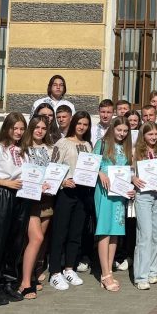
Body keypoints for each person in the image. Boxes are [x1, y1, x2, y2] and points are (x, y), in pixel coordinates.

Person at [0, 112, 29, 306]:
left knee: (16, 240)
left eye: (21, 128)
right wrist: (6, 183)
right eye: (14, 128)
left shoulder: (23, 149)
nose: (18, 132)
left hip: (22, 195)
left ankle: (10, 282)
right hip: (3, 194)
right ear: (7, 128)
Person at [48, 111, 94, 291]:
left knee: (76, 233)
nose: (82, 127)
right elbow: (53, 166)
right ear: (74, 123)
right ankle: (55, 272)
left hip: (83, 193)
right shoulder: (63, 143)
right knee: (60, 232)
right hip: (66, 192)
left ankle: (69, 268)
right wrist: (62, 181)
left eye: (85, 124)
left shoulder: (88, 145)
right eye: (79, 123)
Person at [92, 117, 135, 292]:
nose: (122, 133)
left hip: (119, 193)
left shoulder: (126, 147)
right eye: (119, 130)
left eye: (125, 131)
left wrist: (130, 187)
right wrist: (100, 173)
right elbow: (91, 164)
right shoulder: (102, 143)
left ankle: (108, 270)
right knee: (104, 230)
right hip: (104, 191)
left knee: (115, 231)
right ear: (112, 128)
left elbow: (128, 171)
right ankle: (105, 273)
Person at [16, 117, 54, 300]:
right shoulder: (22, 149)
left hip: (46, 199)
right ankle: (24, 282)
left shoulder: (49, 148)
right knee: (35, 238)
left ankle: (31, 274)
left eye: (43, 128)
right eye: (36, 127)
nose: (40, 131)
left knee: (39, 241)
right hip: (29, 199)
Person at [131, 122, 157, 290]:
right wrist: (133, 178)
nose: (153, 137)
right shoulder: (136, 151)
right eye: (150, 134)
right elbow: (128, 170)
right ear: (143, 135)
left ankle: (152, 271)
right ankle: (141, 276)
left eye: (156, 134)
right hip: (143, 195)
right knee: (144, 235)